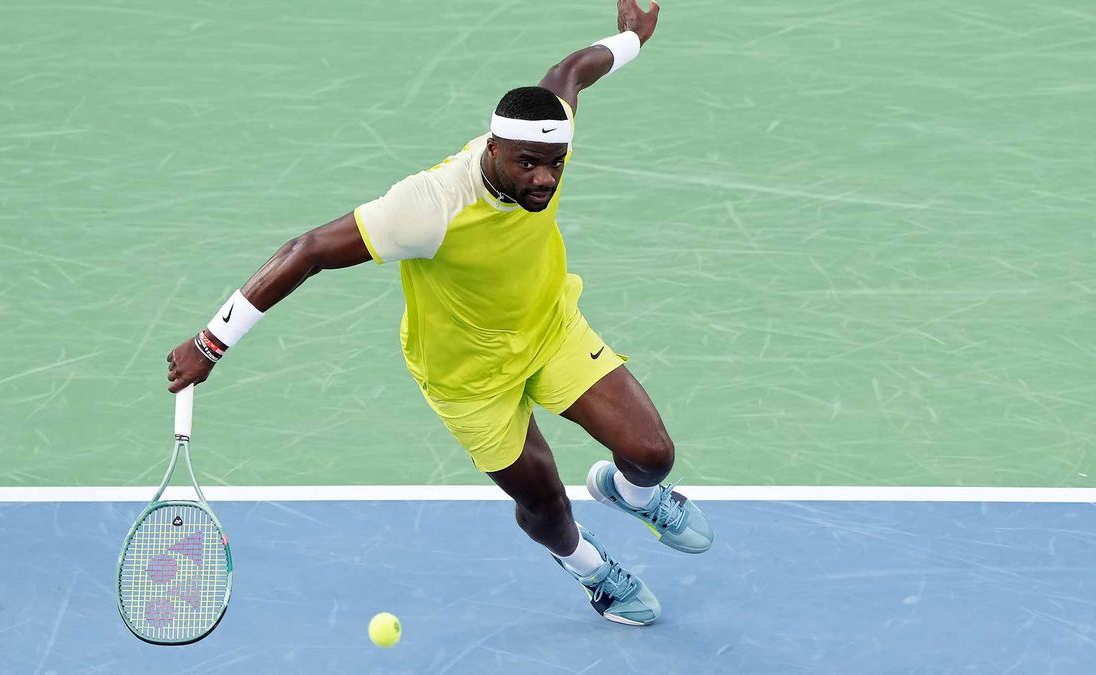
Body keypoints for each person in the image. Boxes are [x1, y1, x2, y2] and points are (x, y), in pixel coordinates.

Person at [166, 0, 711, 625]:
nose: (543, 180)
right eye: (526, 164)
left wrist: (632, 40)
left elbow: (572, 70)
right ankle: (591, 571)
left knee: (653, 454)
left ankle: (631, 495)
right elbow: (308, 251)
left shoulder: (549, 127)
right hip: (469, 379)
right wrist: (211, 344)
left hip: (548, 331)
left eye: (554, 164)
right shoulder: (427, 208)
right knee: (547, 508)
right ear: (493, 149)